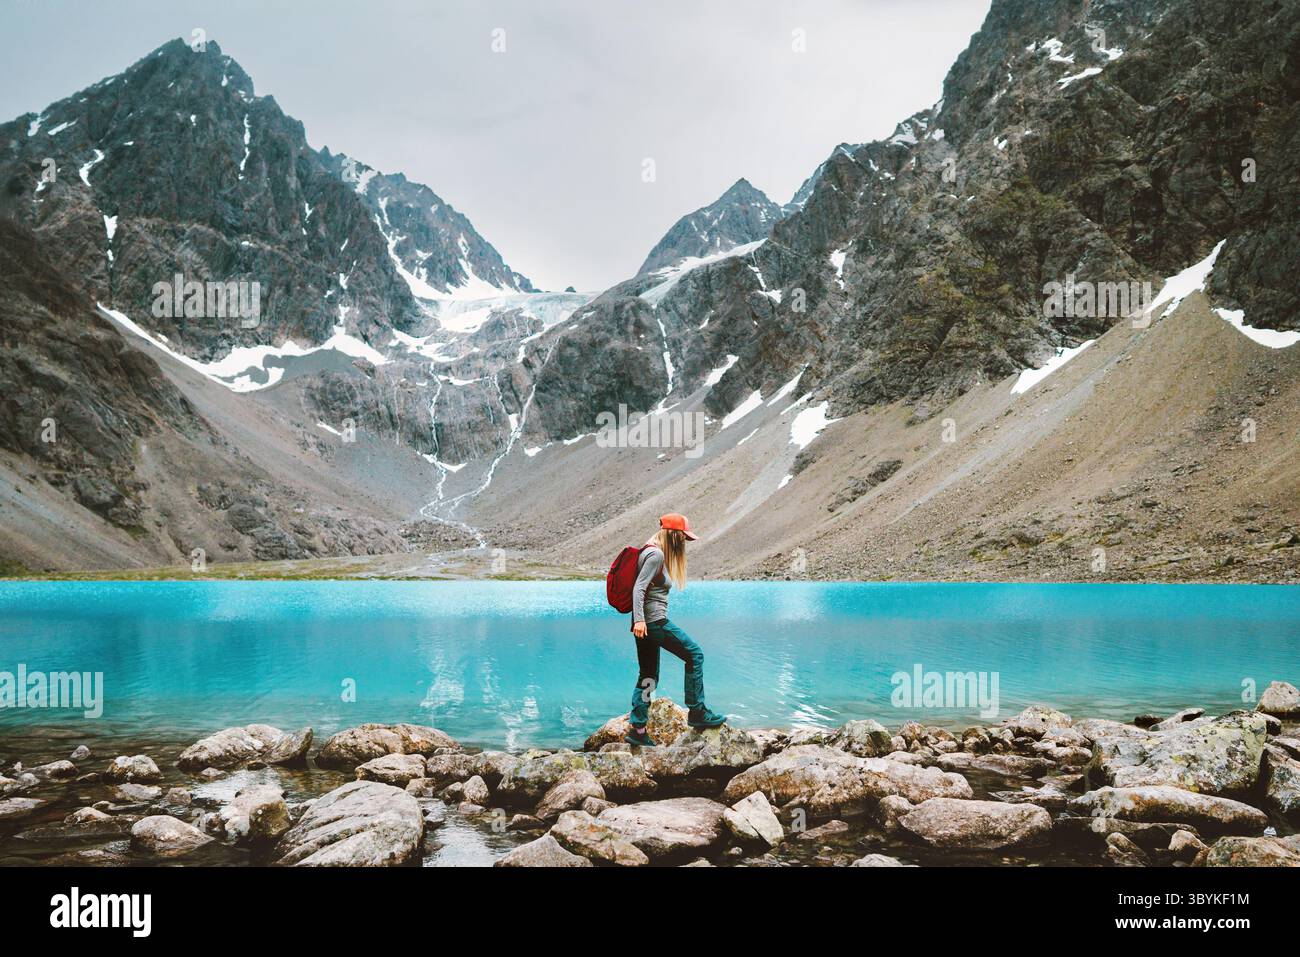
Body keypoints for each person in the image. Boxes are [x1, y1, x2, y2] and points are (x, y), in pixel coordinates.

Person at [626, 513, 726, 746]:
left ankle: (638, 730)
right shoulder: (656, 554)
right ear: (673, 535)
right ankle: (698, 712)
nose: (684, 543)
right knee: (694, 654)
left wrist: (638, 622)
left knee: (648, 675)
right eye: (683, 538)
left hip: (644, 624)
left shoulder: (650, 550)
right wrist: (640, 620)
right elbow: (638, 589)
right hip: (653, 623)